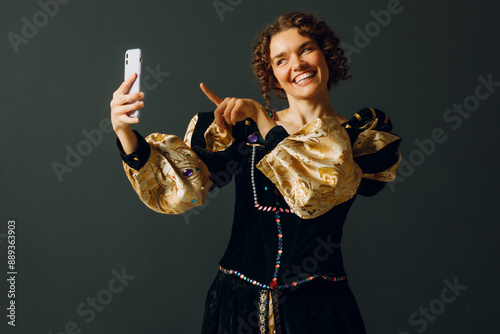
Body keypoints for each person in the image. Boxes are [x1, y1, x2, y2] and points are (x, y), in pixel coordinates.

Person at [110, 11, 402, 334]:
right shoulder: (242, 132)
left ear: (326, 54)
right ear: (273, 76)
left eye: (306, 49)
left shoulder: (359, 138)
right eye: (281, 60)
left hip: (320, 314)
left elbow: (315, 190)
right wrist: (124, 131)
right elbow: (185, 189)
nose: (297, 64)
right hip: (236, 310)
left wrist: (265, 121)